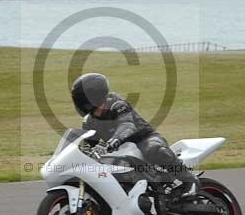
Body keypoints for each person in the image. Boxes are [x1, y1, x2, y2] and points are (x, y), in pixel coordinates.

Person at [71, 72, 199, 197]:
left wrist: (113, 141)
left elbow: (127, 125)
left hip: (144, 139)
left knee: (154, 149)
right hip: (119, 150)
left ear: (93, 96)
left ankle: (189, 180)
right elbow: (88, 143)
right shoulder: (89, 121)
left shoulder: (117, 105)